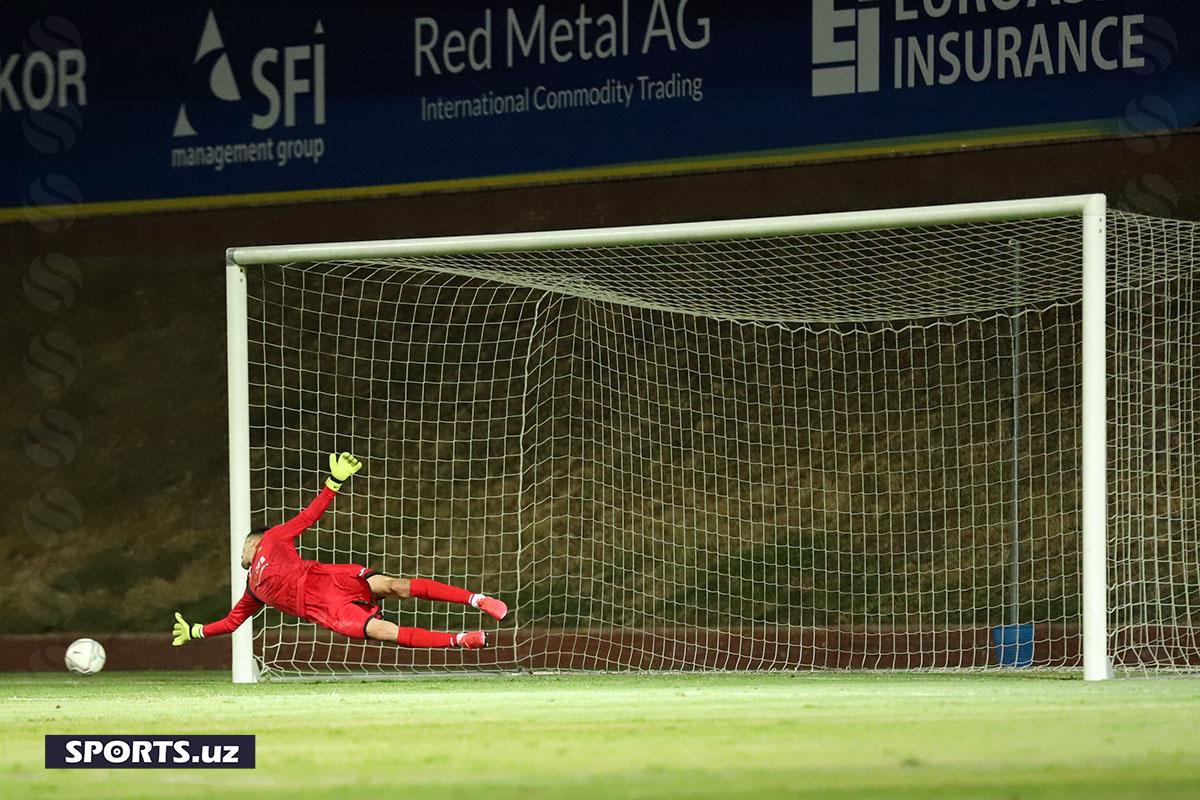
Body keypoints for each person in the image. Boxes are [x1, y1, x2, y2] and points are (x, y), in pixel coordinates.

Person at [171, 452, 506, 650]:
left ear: (251, 542)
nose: (240, 556)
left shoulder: (273, 539)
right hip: (325, 610)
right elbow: (232, 622)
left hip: (328, 579)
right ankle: (460, 639)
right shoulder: (252, 591)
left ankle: (478, 600)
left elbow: (308, 516)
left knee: (394, 585)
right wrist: (195, 631)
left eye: (242, 547)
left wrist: (334, 482)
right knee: (381, 631)